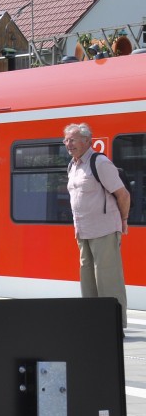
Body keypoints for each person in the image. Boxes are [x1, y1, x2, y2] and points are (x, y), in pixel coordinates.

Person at [64, 122, 131, 327]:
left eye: (72, 139)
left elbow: (123, 194)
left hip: (104, 229)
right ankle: (94, 324)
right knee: (88, 281)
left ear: (86, 140)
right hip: (83, 231)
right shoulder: (73, 166)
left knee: (108, 280)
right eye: (66, 140)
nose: (68, 144)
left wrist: (124, 221)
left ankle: (114, 326)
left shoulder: (99, 162)